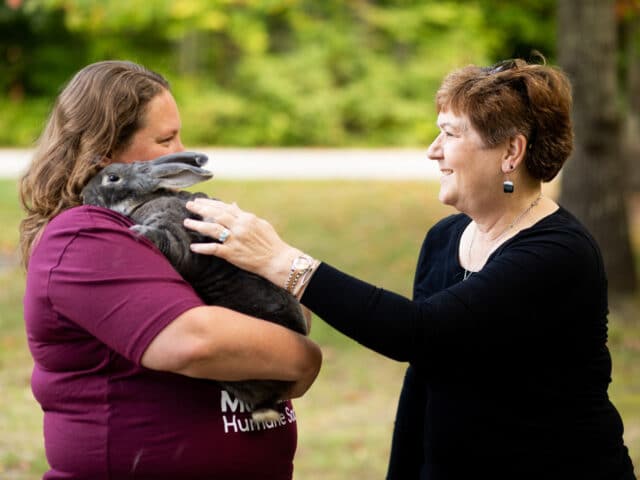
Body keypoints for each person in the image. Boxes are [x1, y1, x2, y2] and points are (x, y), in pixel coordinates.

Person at [182, 57, 637, 480]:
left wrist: (280, 261)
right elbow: (425, 375)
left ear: (511, 152)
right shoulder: (446, 239)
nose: (432, 150)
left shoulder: (557, 254)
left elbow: (421, 332)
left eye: (451, 134)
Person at [19, 60, 322, 480]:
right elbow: (195, 341)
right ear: (106, 154)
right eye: (165, 139)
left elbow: (287, 309)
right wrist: (305, 359)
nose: (180, 151)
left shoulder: (173, 214)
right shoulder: (83, 234)